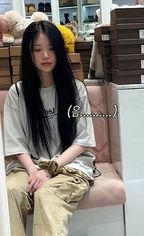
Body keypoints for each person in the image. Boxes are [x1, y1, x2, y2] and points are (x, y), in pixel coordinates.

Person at [4, 20, 96, 236]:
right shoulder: (17, 93)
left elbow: (83, 139)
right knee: (9, 191)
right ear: (29, 53)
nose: (45, 55)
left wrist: (50, 168)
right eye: (38, 49)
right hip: (29, 165)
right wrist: (35, 170)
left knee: (46, 193)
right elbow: (15, 142)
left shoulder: (76, 90)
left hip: (69, 164)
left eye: (51, 48)